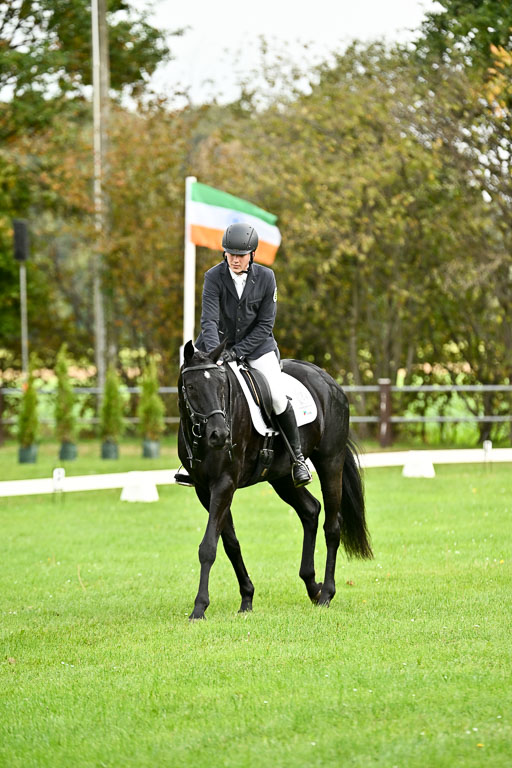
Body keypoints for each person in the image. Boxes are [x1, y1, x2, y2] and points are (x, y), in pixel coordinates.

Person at [194, 222, 312, 487]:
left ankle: (298, 459)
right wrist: (216, 354)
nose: (235, 259)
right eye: (230, 253)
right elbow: (209, 321)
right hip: (217, 348)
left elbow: (264, 326)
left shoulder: (267, 278)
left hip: (257, 348)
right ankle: (191, 459)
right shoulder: (213, 277)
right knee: (200, 390)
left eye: (241, 254)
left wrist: (237, 352)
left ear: (252, 255)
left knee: (278, 398)